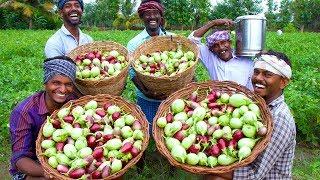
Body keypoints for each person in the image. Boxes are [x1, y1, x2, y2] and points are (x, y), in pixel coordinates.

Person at [205, 50, 296, 180]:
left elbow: (254, 175)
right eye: (256, 72)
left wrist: (209, 167)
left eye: (267, 74)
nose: (258, 78)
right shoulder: (255, 106)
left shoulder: (280, 118)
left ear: (283, 82)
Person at [9, 56, 78, 179]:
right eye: (56, 83)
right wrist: (50, 174)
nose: (63, 90)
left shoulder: (73, 102)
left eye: (68, 84)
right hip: (32, 166)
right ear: (45, 83)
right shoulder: (24, 112)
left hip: (64, 158)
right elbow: (20, 159)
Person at [127, 0, 174, 124]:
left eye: (156, 13)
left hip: (170, 95)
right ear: (142, 17)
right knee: (149, 129)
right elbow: (132, 72)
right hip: (146, 98)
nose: (152, 17)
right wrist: (146, 92)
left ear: (160, 16)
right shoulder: (134, 43)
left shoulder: (171, 38)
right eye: (148, 14)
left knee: (169, 128)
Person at [188, 19, 254, 90]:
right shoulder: (210, 57)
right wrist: (213, 23)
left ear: (230, 42)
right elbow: (191, 41)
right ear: (211, 49)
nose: (221, 48)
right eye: (215, 46)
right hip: (218, 99)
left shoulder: (245, 59)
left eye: (223, 42)